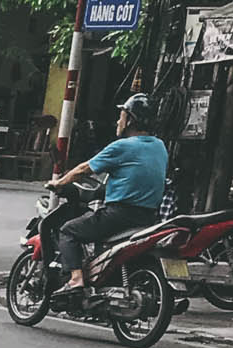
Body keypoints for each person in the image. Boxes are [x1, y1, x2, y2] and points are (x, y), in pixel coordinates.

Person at [50, 92, 168, 294]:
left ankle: (76, 280)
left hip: (119, 216)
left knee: (69, 230)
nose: (117, 121)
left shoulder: (122, 146)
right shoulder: (160, 146)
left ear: (131, 120)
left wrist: (59, 182)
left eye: (121, 116)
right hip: (149, 217)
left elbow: (83, 169)